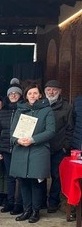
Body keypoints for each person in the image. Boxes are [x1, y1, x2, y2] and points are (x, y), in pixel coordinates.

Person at [10, 83, 55, 223]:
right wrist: (18, 140)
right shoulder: (20, 111)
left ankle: (35, 211)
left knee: (36, 182)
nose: (33, 96)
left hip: (38, 151)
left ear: (40, 95)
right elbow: (12, 133)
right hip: (21, 150)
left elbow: (50, 131)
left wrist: (33, 139)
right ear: (26, 96)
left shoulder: (47, 110)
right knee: (23, 181)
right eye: (30, 93)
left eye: (35, 93)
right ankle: (26, 210)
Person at [43, 80, 73, 213]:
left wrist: (66, 145)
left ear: (60, 91)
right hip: (42, 147)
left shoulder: (67, 107)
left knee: (57, 176)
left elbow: (70, 128)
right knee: (40, 175)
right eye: (49, 89)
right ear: (45, 92)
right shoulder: (40, 105)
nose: (51, 92)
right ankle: (41, 200)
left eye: (54, 89)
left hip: (58, 148)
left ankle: (53, 202)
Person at [0, 79, 24, 215]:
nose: (13, 95)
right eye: (11, 93)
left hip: (21, 149)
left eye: (16, 93)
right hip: (6, 149)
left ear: (20, 95)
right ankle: (10, 202)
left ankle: (20, 203)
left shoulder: (24, 109)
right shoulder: (3, 111)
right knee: (10, 177)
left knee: (21, 177)